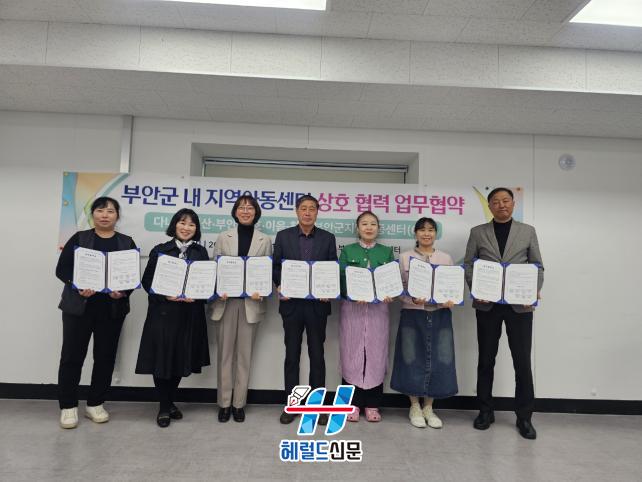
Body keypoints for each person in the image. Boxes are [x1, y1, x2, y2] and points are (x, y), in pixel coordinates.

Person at [464, 187, 544, 440]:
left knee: (522, 362)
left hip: (519, 307)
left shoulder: (527, 231)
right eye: (496, 201)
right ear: (489, 206)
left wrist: (533, 289)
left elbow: (537, 266)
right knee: (486, 360)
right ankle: (485, 412)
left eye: (506, 200)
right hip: (487, 306)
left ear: (513, 204)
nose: (501, 205)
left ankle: (524, 417)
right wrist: (476, 290)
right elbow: (468, 264)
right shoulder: (478, 232)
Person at [56, 197, 137, 429]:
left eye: (110, 211)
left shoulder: (126, 242)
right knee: (72, 356)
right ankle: (68, 406)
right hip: (79, 308)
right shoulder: (79, 238)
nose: (105, 215)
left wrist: (123, 292)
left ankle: (95, 403)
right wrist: (77, 286)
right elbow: (62, 269)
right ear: (93, 214)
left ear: (117, 216)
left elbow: (131, 276)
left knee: (105, 357)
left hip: (111, 309)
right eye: (100, 210)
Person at [136, 208, 210, 428]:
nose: (186, 228)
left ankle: (169, 402)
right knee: (162, 360)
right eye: (182, 223)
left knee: (180, 359)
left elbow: (207, 283)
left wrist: (198, 297)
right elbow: (147, 282)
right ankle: (164, 406)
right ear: (174, 225)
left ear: (196, 229)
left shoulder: (200, 252)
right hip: (164, 314)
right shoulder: (160, 250)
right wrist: (165, 295)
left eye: (191, 224)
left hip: (189, 315)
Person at [273, 195, 338, 425]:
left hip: (318, 306)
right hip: (291, 305)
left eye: (312, 209)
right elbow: (276, 266)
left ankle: (317, 407)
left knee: (317, 356)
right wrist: (280, 285)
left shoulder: (328, 238)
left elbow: (332, 267)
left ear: (317, 212)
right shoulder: (284, 236)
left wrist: (329, 288)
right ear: (297, 211)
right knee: (292, 356)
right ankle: (292, 405)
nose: (308, 212)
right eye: (303, 208)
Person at [208, 195, 272, 423]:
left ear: (256, 213)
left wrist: (261, 290)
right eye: (241, 207)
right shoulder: (223, 237)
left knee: (244, 356)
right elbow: (215, 268)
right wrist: (219, 288)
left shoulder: (265, 239)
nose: (246, 211)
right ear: (235, 212)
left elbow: (266, 272)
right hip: (226, 303)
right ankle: (224, 403)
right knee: (225, 356)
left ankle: (238, 404)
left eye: (250, 208)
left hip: (250, 304)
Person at [390, 217, 458, 429]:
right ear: (415, 233)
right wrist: (412, 299)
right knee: (410, 357)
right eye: (422, 230)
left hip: (440, 314)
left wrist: (451, 300)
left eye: (430, 230)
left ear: (435, 233)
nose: (426, 234)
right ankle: (414, 406)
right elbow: (397, 288)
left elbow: (453, 286)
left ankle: (429, 406)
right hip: (413, 314)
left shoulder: (446, 258)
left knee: (440, 358)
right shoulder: (404, 258)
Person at [338, 211, 394, 423]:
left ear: (378, 228)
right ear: (358, 228)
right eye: (364, 224)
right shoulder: (348, 251)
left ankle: (372, 404)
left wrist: (390, 293)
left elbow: (391, 280)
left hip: (378, 311)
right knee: (351, 354)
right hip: (352, 309)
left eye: (373, 224)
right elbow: (340, 278)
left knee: (376, 355)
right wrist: (352, 293)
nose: (369, 227)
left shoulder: (386, 252)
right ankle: (352, 404)